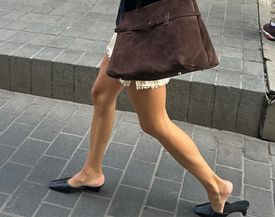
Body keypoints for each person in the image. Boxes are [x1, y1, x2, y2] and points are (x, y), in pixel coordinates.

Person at [49, 0, 249, 216]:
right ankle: (91, 171)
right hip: (132, 24)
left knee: (154, 122)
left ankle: (217, 186)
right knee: (102, 94)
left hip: (148, 32)